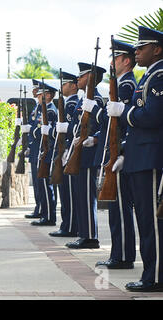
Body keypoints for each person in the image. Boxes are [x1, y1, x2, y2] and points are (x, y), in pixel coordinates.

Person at [107, 26, 163, 292]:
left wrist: (124, 112)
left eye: (142, 47)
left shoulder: (159, 76)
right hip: (139, 156)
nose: (137, 51)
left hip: (150, 157)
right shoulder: (148, 76)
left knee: (151, 220)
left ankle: (155, 277)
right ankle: (151, 274)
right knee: (145, 219)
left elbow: (152, 116)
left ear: (157, 49)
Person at [88, 40, 137, 269]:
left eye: (115, 58)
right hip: (113, 152)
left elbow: (119, 123)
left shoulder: (126, 86)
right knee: (116, 209)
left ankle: (123, 256)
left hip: (119, 153)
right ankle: (118, 254)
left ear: (126, 60)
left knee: (121, 208)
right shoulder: (122, 84)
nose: (111, 62)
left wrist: (122, 151)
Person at [64, 62, 106, 249]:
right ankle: (84, 233)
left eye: (82, 76)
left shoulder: (94, 99)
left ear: (90, 78)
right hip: (79, 152)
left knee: (88, 198)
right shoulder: (83, 100)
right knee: (81, 196)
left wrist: (93, 139)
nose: (78, 79)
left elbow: (103, 122)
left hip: (88, 154)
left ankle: (90, 237)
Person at [49, 72, 79, 237]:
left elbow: (70, 130)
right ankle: (66, 224)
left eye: (65, 84)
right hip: (64, 151)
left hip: (68, 152)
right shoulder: (68, 103)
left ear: (73, 86)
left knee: (68, 193)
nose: (62, 87)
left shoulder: (72, 104)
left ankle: (70, 226)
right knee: (64, 192)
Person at [26, 83, 58, 226]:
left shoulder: (50, 110)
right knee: (41, 185)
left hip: (46, 150)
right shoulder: (43, 109)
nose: (38, 96)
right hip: (38, 149)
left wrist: (31, 131)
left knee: (45, 185)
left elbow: (46, 132)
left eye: (41, 94)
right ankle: (44, 214)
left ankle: (49, 216)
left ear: (49, 95)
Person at [24, 79, 42, 219]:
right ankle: (39, 207)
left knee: (40, 182)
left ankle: (42, 209)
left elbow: (39, 128)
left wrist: (30, 130)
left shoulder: (43, 108)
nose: (34, 91)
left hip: (40, 148)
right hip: (35, 148)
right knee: (36, 182)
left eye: (36, 89)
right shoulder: (37, 107)